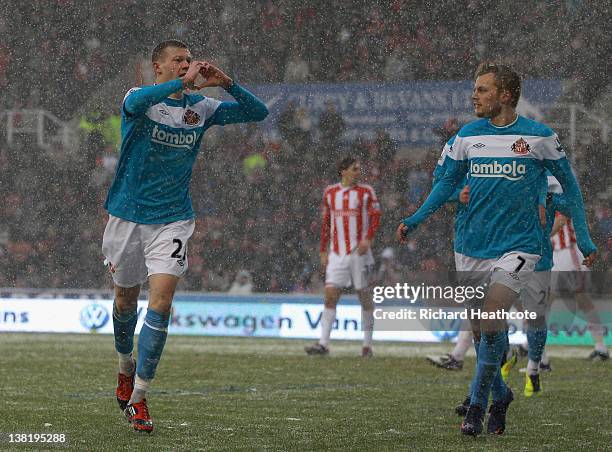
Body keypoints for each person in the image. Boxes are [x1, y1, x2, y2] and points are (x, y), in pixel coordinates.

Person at [396, 62, 596, 436]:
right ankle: (500, 396)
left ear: (505, 95)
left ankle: (475, 406)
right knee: (483, 334)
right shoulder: (466, 137)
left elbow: (572, 190)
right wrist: (416, 217)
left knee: (491, 317)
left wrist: (583, 239)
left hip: (520, 246)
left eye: (483, 89)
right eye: (475, 89)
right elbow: (444, 184)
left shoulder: (540, 138)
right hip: (471, 244)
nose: (474, 95)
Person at [102, 39, 268, 433]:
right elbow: (139, 101)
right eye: (178, 61)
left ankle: (139, 397)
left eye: (189, 61)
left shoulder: (202, 108)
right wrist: (180, 84)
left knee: (161, 301)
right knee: (126, 298)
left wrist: (227, 82)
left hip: (172, 219)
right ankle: (125, 366)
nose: (187, 65)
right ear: (157, 66)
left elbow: (256, 112)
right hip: (127, 216)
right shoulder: (139, 99)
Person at [305, 156, 382, 358]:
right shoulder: (330, 193)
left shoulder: (366, 192)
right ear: (343, 171)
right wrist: (323, 250)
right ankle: (323, 344)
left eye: (359, 169)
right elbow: (326, 223)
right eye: (354, 169)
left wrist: (368, 239)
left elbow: (376, 217)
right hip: (337, 253)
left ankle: (367, 345)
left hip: (359, 252)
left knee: (364, 297)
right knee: (330, 295)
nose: (358, 172)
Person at [425, 133, 473, 372]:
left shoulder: (499, 152)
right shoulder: (458, 155)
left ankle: (536, 358)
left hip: (500, 238)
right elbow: (440, 188)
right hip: (471, 238)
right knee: (480, 303)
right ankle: (460, 356)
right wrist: (458, 195)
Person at [550, 202, 609, 361]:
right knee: (544, 301)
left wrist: (540, 236)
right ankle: (532, 347)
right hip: (557, 255)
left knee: (582, 300)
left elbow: (561, 220)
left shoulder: (561, 198)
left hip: (569, 254)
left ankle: (601, 346)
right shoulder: (549, 197)